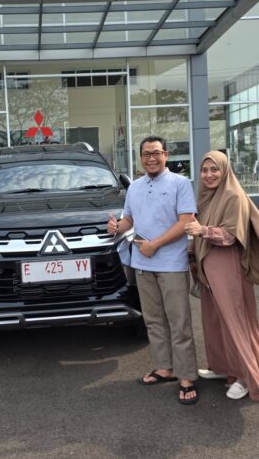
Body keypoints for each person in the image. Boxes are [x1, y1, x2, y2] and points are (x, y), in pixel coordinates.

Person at [107, 136, 198, 404]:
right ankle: (164, 368)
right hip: (143, 264)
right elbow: (129, 219)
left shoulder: (180, 183)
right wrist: (117, 227)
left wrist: (154, 244)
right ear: (141, 157)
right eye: (146, 154)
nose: (151, 158)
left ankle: (186, 376)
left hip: (171, 264)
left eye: (156, 153)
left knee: (179, 322)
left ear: (166, 155)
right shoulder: (134, 187)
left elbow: (186, 221)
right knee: (154, 320)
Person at [184, 150, 259, 400]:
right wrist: (193, 253)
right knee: (214, 320)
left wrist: (202, 231)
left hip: (228, 267)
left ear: (225, 170)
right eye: (204, 170)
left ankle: (247, 377)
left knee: (235, 322)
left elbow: (231, 235)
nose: (209, 175)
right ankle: (225, 368)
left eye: (214, 169)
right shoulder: (206, 197)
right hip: (209, 268)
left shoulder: (233, 196)